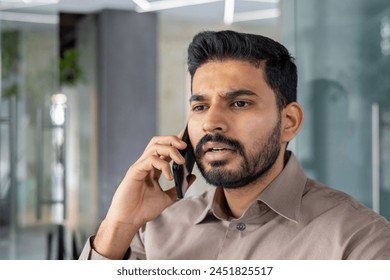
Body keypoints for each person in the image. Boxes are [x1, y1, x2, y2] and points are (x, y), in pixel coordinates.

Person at [80, 30, 390, 260]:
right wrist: (119, 225)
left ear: (289, 122)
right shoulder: (155, 230)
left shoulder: (358, 240)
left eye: (239, 103)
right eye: (200, 106)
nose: (211, 122)